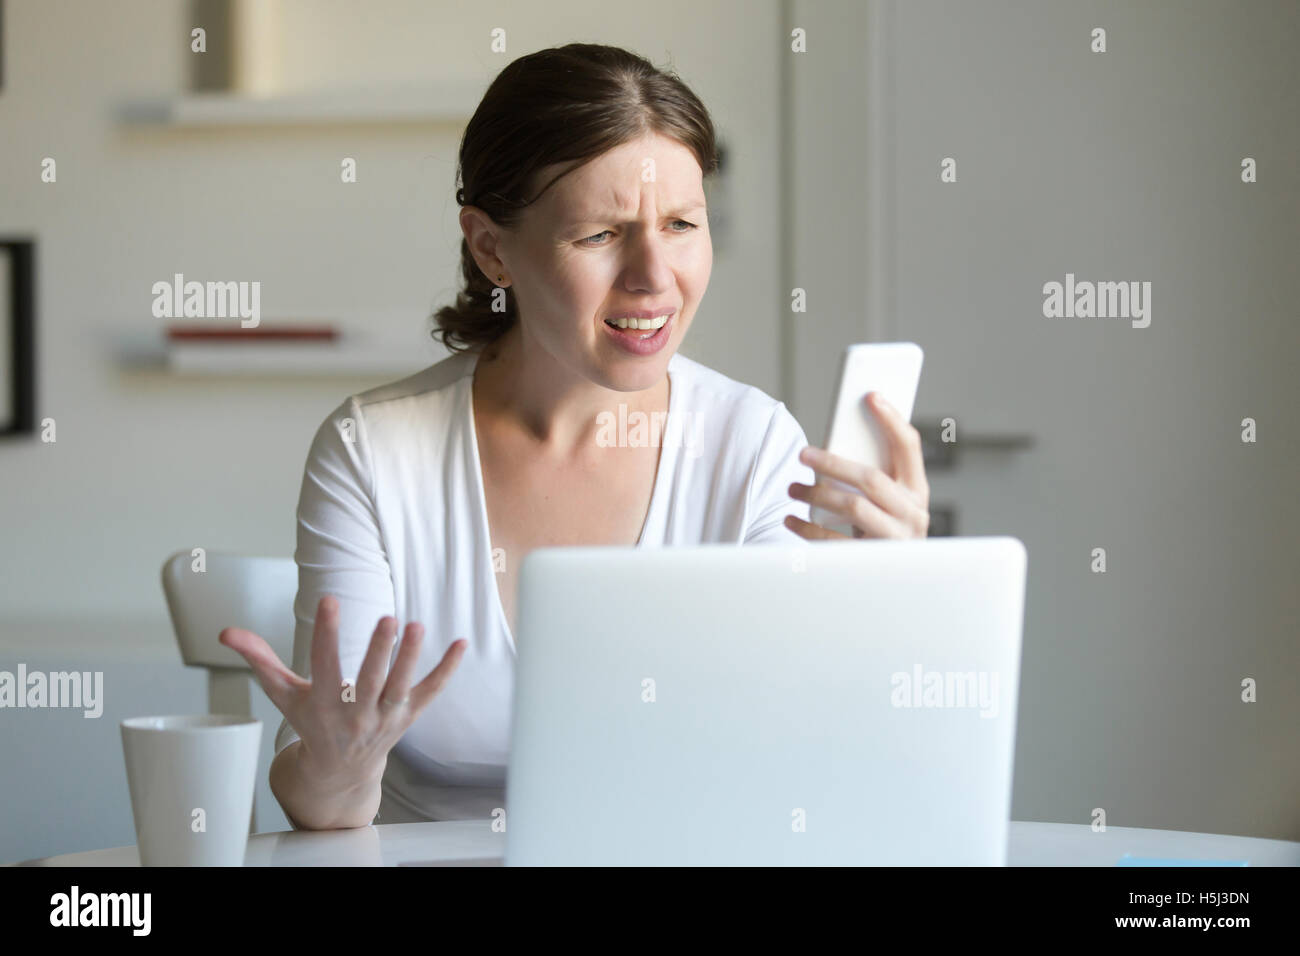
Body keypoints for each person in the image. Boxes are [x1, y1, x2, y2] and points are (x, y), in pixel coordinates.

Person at [219, 42, 930, 830]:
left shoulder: (755, 447)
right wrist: (340, 764)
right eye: (600, 235)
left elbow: (790, 765)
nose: (654, 275)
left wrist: (882, 621)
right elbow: (325, 808)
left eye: (682, 224)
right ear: (493, 249)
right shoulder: (374, 452)